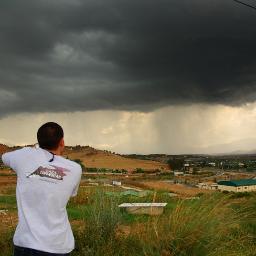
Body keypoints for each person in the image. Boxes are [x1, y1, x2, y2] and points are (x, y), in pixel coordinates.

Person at [1, 122, 82, 256]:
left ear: (38, 141)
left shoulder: (24, 155)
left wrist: (32, 150)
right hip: (58, 246)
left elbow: (4, 157)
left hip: (26, 244)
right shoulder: (75, 169)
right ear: (62, 142)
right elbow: (72, 194)